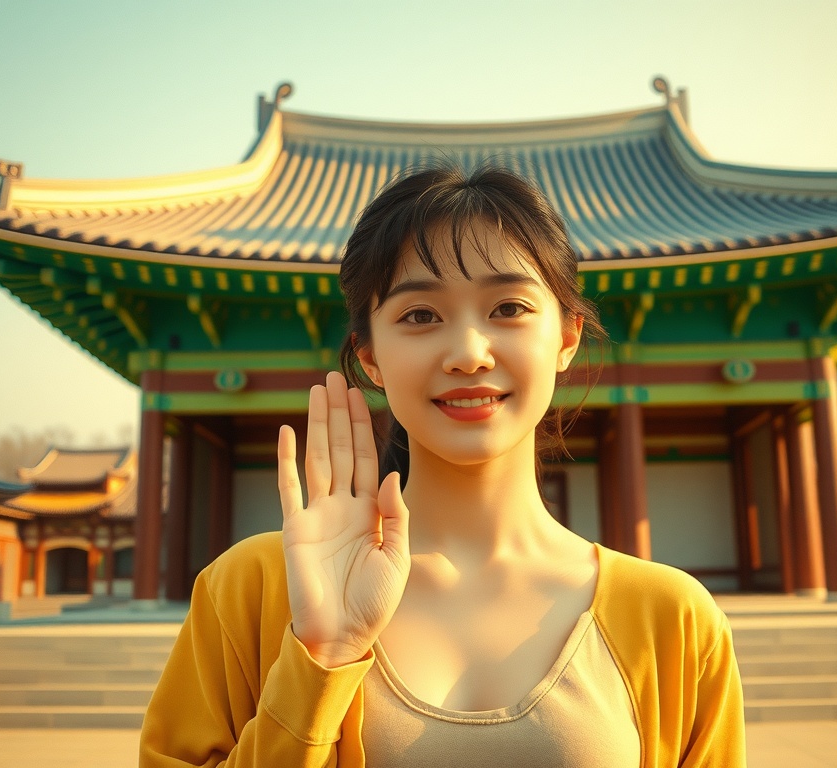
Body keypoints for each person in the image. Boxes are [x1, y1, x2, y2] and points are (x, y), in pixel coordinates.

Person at [140, 165, 745, 767]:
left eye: (508, 307)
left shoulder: (673, 617)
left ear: (567, 338)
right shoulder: (254, 587)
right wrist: (321, 655)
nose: (467, 354)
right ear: (370, 357)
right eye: (421, 315)